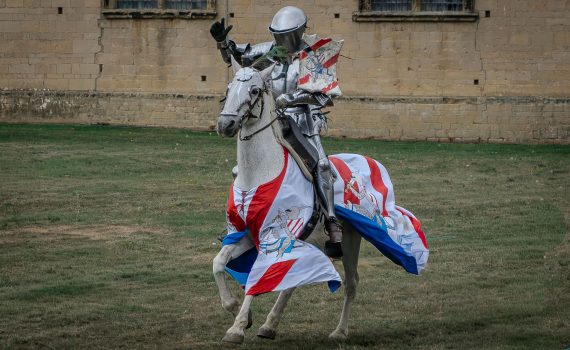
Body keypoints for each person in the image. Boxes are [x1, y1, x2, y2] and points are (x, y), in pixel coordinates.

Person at [210, 6, 343, 258]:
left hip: (303, 123)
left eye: (287, 34)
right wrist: (222, 42)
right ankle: (238, 225)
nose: (281, 40)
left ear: (301, 30)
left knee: (322, 165)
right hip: (269, 123)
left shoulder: (317, 56)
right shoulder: (269, 53)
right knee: (243, 167)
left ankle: (331, 221)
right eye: (277, 35)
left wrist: (290, 99)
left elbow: (325, 97)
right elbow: (235, 59)